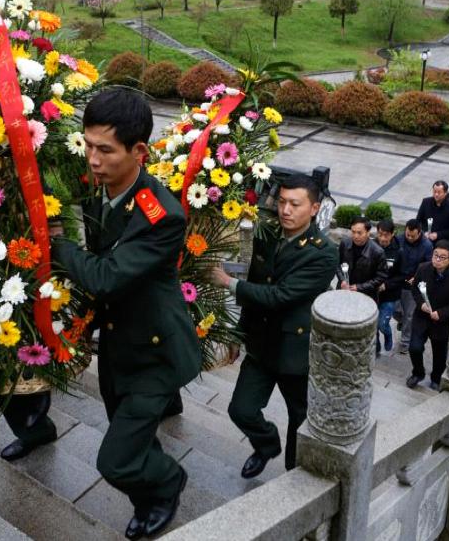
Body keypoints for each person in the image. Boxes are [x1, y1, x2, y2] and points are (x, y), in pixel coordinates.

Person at [50, 88, 201, 540]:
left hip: (156, 352)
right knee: (129, 436)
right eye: (88, 145)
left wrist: (58, 242)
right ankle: (147, 495)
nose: (92, 159)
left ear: (139, 151)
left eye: (105, 150)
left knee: (114, 461)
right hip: (119, 342)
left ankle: (168, 482)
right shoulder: (103, 189)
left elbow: (105, 277)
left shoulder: (162, 215)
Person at [211, 174, 336, 478]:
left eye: (295, 204)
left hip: (295, 351)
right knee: (240, 410)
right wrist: (238, 336)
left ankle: (294, 473)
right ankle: (266, 445)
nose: (285, 210)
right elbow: (257, 283)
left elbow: (282, 296)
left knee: (300, 417)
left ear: (315, 208)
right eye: (281, 202)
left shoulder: (323, 251)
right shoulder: (267, 234)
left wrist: (229, 283)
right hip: (261, 343)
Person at [406, 240, 449, 391]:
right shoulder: (423, 268)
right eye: (435, 255)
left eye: (442, 257)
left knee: (440, 353)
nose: (437, 260)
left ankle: (436, 377)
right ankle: (418, 373)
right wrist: (421, 303)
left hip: (442, 322)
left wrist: (441, 313)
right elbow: (415, 288)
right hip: (422, 316)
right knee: (414, 347)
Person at [396, 218, 433, 353]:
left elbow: (428, 266)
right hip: (398, 279)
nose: (410, 238)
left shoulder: (427, 245)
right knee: (395, 308)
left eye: (413, 236)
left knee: (410, 315)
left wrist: (416, 278)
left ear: (420, 233)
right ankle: (401, 320)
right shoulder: (399, 239)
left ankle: (405, 342)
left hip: (413, 284)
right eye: (408, 235)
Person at [336, 216, 388, 299]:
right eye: (353, 232)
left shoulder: (377, 252)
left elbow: (381, 277)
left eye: (359, 233)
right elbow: (337, 264)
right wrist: (342, 280)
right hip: (343, 289)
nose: (355, 236)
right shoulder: (345, 243)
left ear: (368, 233)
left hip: (365, 294)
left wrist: (359, 287)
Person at [374, 219, 403, 356]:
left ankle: (388, 334)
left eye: (386, 235)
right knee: (371, 325)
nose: (383, 238)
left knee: (382, 323)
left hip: (390, 295)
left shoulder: (400, 251)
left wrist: (387, 285)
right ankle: (376, 348)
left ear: (392, 234)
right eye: (380, 234)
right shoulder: (371, 246)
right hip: (372, 293)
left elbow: (402, 275)